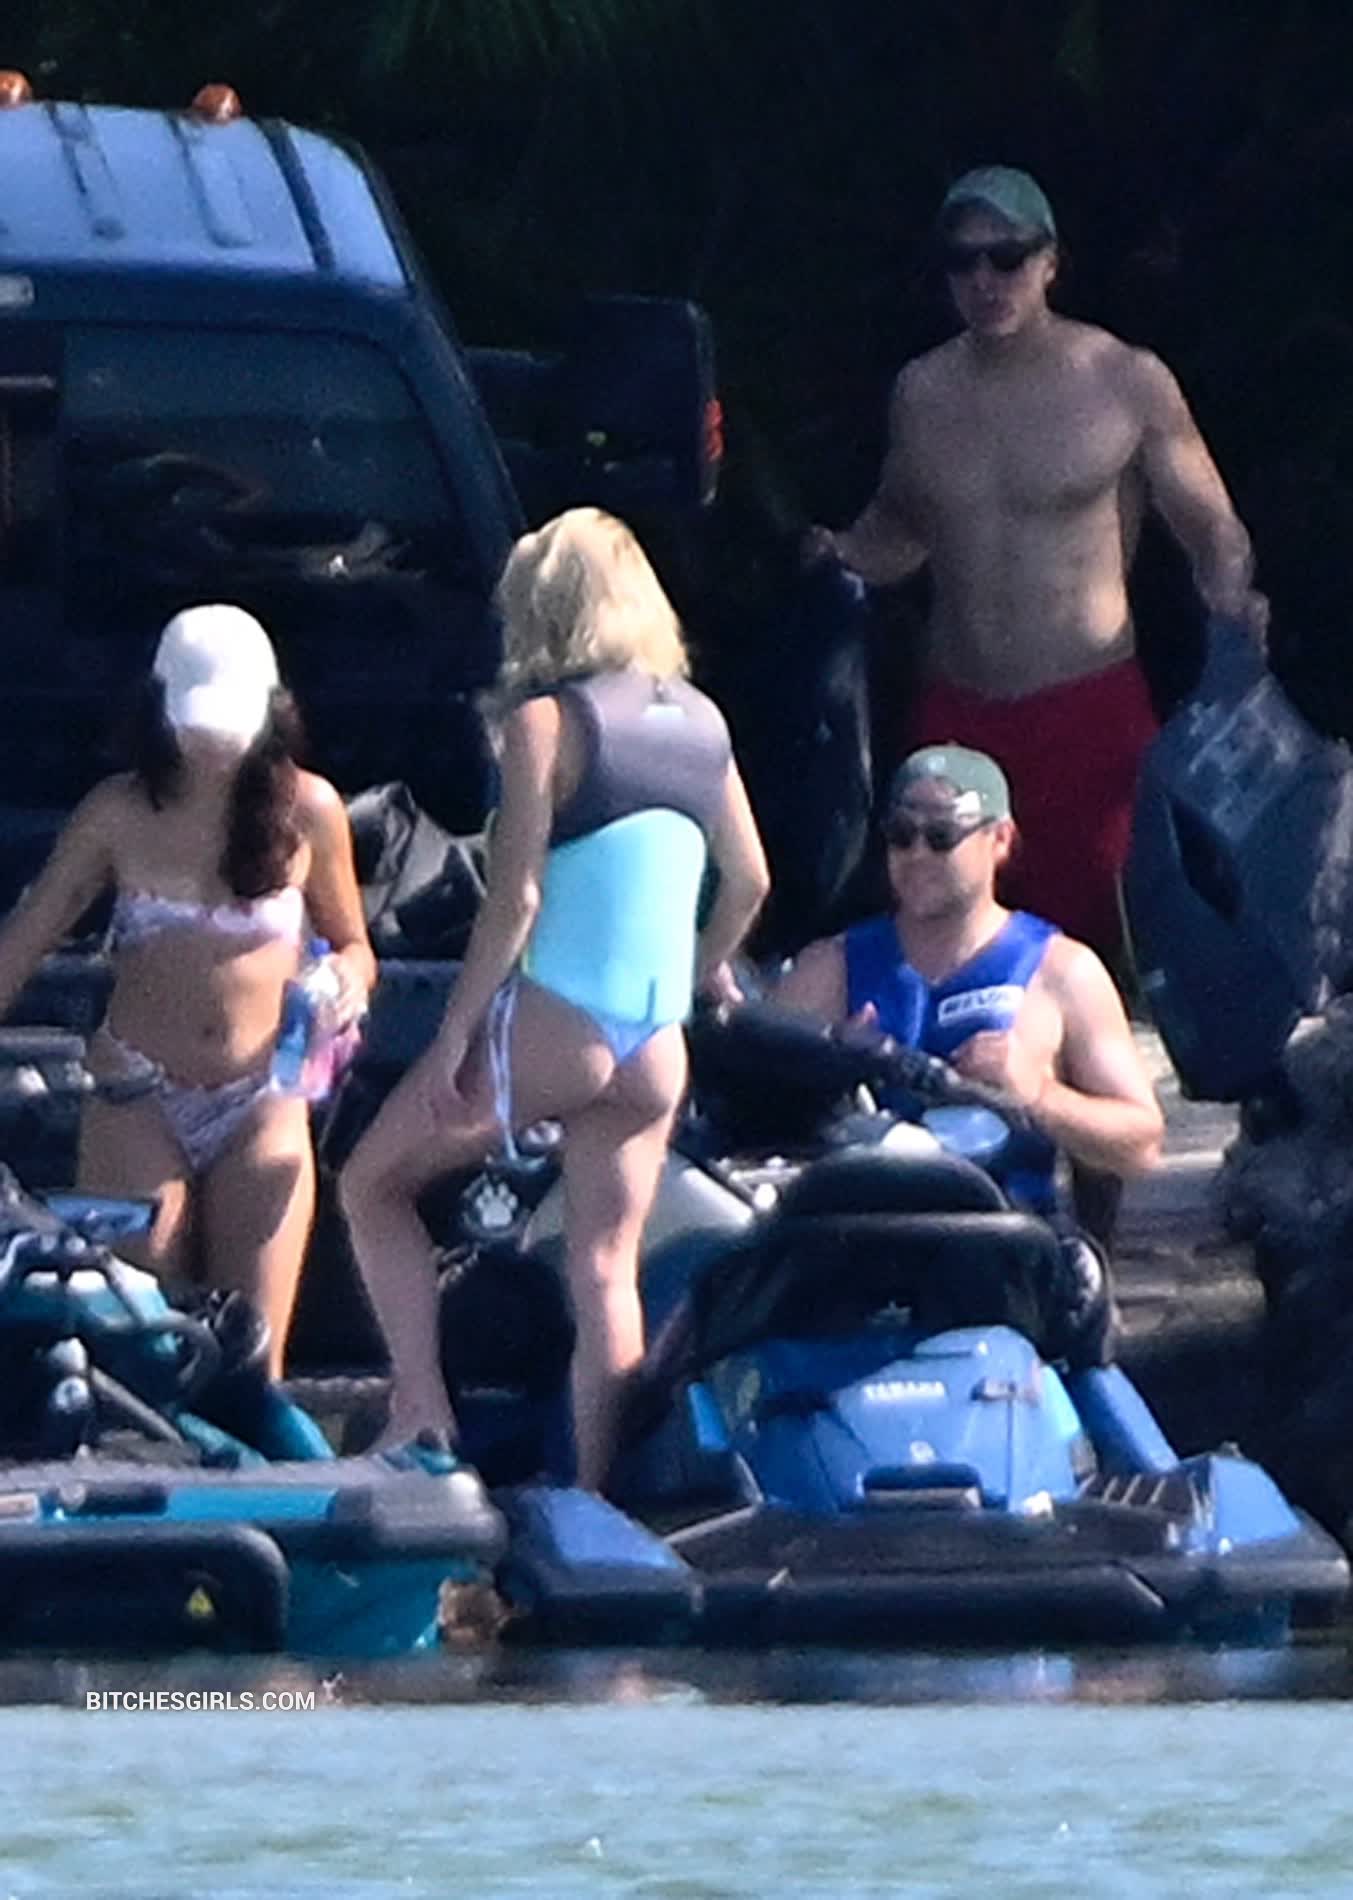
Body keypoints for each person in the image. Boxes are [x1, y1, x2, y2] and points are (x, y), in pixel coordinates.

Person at [339, 507, 770, 1488]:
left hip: (557, 1024)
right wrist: (694, 972)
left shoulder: (545, 722)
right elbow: (749, 881)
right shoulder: (704, 724)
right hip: (655, 1041)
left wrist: (455, 1036)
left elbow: (517, 899)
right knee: (606, 1271)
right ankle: (599, 1496)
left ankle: (422, 1412)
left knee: (372, 1185)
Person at [805, 164, 1268, 966]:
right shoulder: (921, 392)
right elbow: (901, 528)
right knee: (943, 950)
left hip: (1087, 713)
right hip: (956, 714)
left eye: (1007, 256)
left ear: (1049, 262)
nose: (985, 280)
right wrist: (838, 553)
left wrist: (1230, 595)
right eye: (963, 261)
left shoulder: (1123, 379)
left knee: (1101, 956)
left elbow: (1210, 526)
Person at [0, 604, 376, 1376]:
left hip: (263, 1099)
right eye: (197, 727)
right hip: (138, 1091)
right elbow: (29, 935)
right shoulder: (117, 812)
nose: (212, 749)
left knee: (251, 1357)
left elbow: (356, 943)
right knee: (139, 1345)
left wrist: (345, 979)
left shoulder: (311, 810)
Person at [776, 743, 1163, 1222]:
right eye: (901, 835)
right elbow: (745, 1120)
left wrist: (1040, 1095)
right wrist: (824, 1077)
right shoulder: (830, 969)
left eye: (941, 837)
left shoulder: (1061, 971)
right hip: (864, 1239)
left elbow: (1141, 1145)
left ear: (999, 840)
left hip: (1003, 1239)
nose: (918, 854)